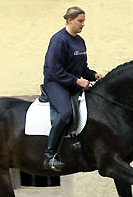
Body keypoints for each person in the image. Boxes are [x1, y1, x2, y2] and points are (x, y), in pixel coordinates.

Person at [43, 6, 103, 172]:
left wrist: (93, 75)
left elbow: (82, 67)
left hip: (72, 83)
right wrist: (77, 81)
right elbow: (55, 70)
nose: (83, 24)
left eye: (84, 21)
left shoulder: (79, 41)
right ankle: (50, 156)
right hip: (55, 83)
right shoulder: (59, 40)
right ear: (70, 20)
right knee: (65, 113)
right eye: (80, 21)